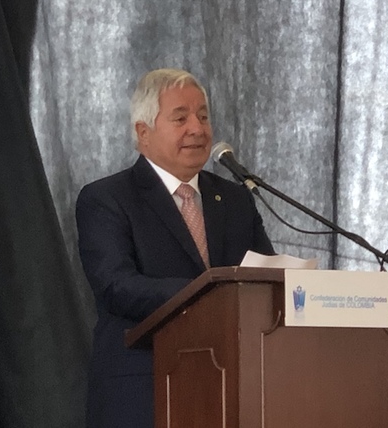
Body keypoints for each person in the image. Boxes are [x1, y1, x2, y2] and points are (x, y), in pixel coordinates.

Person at [76, 68, 274, 428]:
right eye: (181, 118)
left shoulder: (234, 199)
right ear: (143, 133)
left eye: (203, 116)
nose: (197, 129)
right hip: (144, 392)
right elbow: (117, 286)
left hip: (231, 389)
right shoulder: (106, 199)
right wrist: (211, 294)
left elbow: (266, 277)